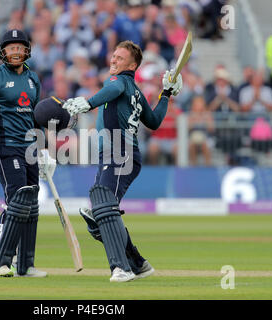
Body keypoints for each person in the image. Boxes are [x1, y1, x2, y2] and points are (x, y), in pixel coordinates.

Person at [62, 40, 183, 282]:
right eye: (113, 56)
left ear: (133, 64)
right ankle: (138, 264)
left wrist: (87, 103)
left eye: (119, 58)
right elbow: (154, 120)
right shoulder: (135, 91)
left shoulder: (119, 82)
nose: (113, 60)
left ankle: (121, 268)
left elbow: (113, 90)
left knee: (104, 210)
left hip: (120, 152)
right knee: (101, 212)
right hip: (115, 154)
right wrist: (166, 94)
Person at [0, 29, 54, 278]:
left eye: (20, 47)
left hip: (30, 150)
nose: (16, 51)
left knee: (31, 204)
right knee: (17, 199)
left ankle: (25, 265)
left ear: (27, 50)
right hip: (6, 147)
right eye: (11, 47)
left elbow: (36, 117)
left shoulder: (33, 79)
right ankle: (1, 259)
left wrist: (45, 150)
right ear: (3, 52)